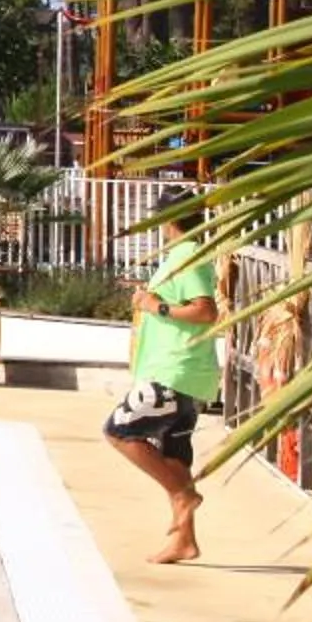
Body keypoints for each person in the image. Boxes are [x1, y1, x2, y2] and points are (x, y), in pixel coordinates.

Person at [110, 212, 224, 564]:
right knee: (175, 454)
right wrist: (149, 301)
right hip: (184, 372)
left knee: (120, 431)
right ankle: (184, 541)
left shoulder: (188, 254)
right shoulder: (186, 254)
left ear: (167, 220)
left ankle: (182, 495)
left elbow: (205, 311)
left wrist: (154, 305)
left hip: (174, 371)